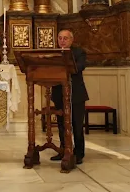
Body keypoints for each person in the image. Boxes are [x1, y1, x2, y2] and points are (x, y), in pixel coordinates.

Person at [50, 29, 88, 165]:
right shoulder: (54, 53)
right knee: (61, 125)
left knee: (76, 125)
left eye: (65, 38)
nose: (62, 41)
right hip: (59, 93)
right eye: (60, 38)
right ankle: (64, 151)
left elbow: (79, 67)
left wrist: (63, 68)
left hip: (76, 94)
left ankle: (78, 153)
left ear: (71, 40)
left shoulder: (79, 52)